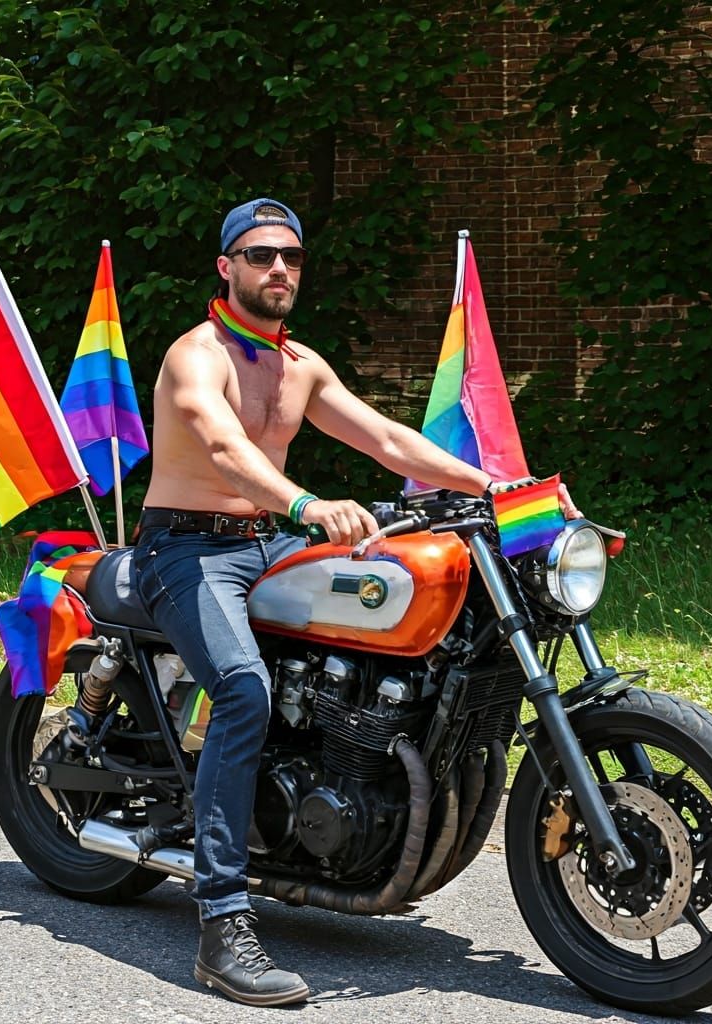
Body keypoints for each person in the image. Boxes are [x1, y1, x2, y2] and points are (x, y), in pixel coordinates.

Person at [132, 197, 580, 1007]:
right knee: (242, 693)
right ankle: (222, 922)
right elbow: (224, 446)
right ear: (225, 266)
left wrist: (500, 487)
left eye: (292, 258)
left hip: (269, 542)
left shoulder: (300, 364)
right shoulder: (195, 356)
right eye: (261, 255)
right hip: (187, 549)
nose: (278, 270)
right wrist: (306, 506)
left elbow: (388, 440)